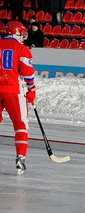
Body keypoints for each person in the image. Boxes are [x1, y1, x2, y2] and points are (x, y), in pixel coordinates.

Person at [0, 21, 35, 175]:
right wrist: (32, 89)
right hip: (13, 90)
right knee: (21, 125)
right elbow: (27, 72)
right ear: (16, 33)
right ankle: (20, 158)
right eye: (22, 34)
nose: (23, 37)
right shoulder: (22, 49)